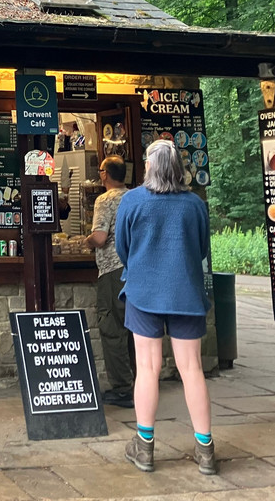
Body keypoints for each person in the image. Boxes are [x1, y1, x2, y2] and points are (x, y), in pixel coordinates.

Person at [116, 139, 215, 476]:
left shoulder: (131, 201)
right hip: (186, 292)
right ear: (178, 169)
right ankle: (205, 451)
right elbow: (202, 249)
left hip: (144, 293)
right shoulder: (195, 205)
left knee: (147, 368)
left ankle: (144, 448)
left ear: (149, 166)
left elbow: (122, 247)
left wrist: (143, 267)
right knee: (192, 369)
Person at [84, 156, 134, 408]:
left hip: (112, 270)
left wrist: (87, 240)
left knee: (112, 327)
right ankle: (139, 381)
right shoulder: (136, 197)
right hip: (135, 269)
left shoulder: (104, 200)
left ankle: (123, 388)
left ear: (105, 175)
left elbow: (101, 237)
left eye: (100, 170)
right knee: (135, 327)